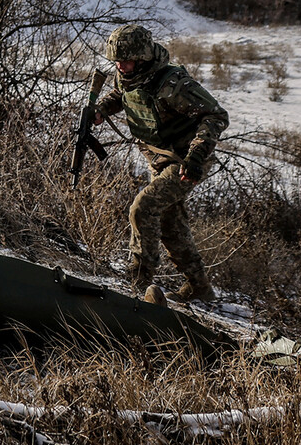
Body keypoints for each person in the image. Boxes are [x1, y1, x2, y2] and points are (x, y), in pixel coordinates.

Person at [94, 24, 228, 302]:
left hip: (186, 160)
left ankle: (138, 281)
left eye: (127, 61)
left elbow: (215, 115)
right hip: (159, 157)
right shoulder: (129, 74)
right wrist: (101, 111)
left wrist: (197, 156)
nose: (121, 66)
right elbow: (121, 94)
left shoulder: (173, 84)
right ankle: (200, 288)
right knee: (170, 222)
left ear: (143, 58)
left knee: (143, 208)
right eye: (117, 61)